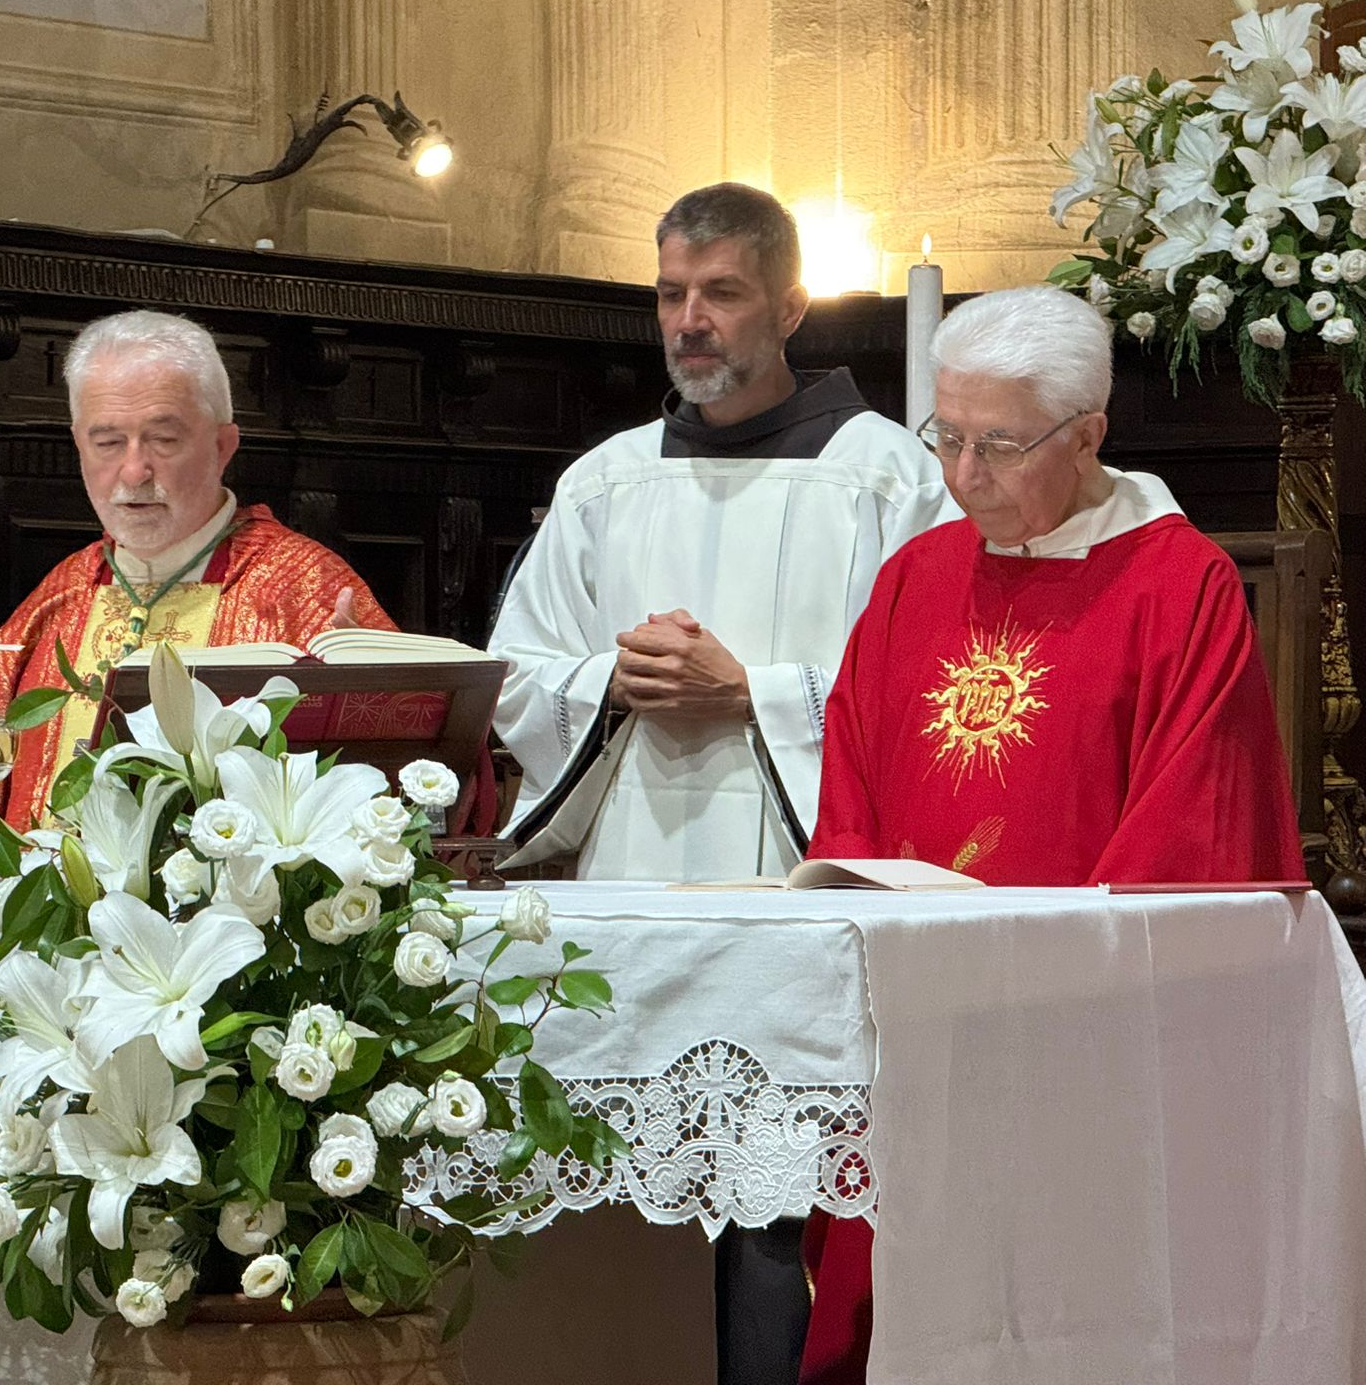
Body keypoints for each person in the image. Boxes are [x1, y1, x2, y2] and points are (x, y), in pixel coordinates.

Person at [797, 284, 1303, 1383]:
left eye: (998, 445)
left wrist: (1043, 993)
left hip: (1084, 1056)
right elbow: (852, 788)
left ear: (1086, 435)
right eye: (945, 436)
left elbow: (1193, 832)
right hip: (914, 1034)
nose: (962, 475)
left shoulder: (1179, 586)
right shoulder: (914, 578)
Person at [488, 183, 949, 1385]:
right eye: (669, 295)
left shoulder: (884, 477)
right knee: (621, 1203)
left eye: (721, 293)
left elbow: (931, 687)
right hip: (630, 884)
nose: (688, 320)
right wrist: (607, 683)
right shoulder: (604, 480)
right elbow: (513, 675)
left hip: (801, 894)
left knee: (774, 1202)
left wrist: (758, 694)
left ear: (788, 306)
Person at [0, 309, 396, 828]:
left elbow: (405, 779)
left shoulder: (305, 589)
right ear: (78, 445)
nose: (133, 472)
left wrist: (361, 696)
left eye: (163, 439)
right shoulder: (64, 594)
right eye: (107, 443)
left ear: (222, 447)